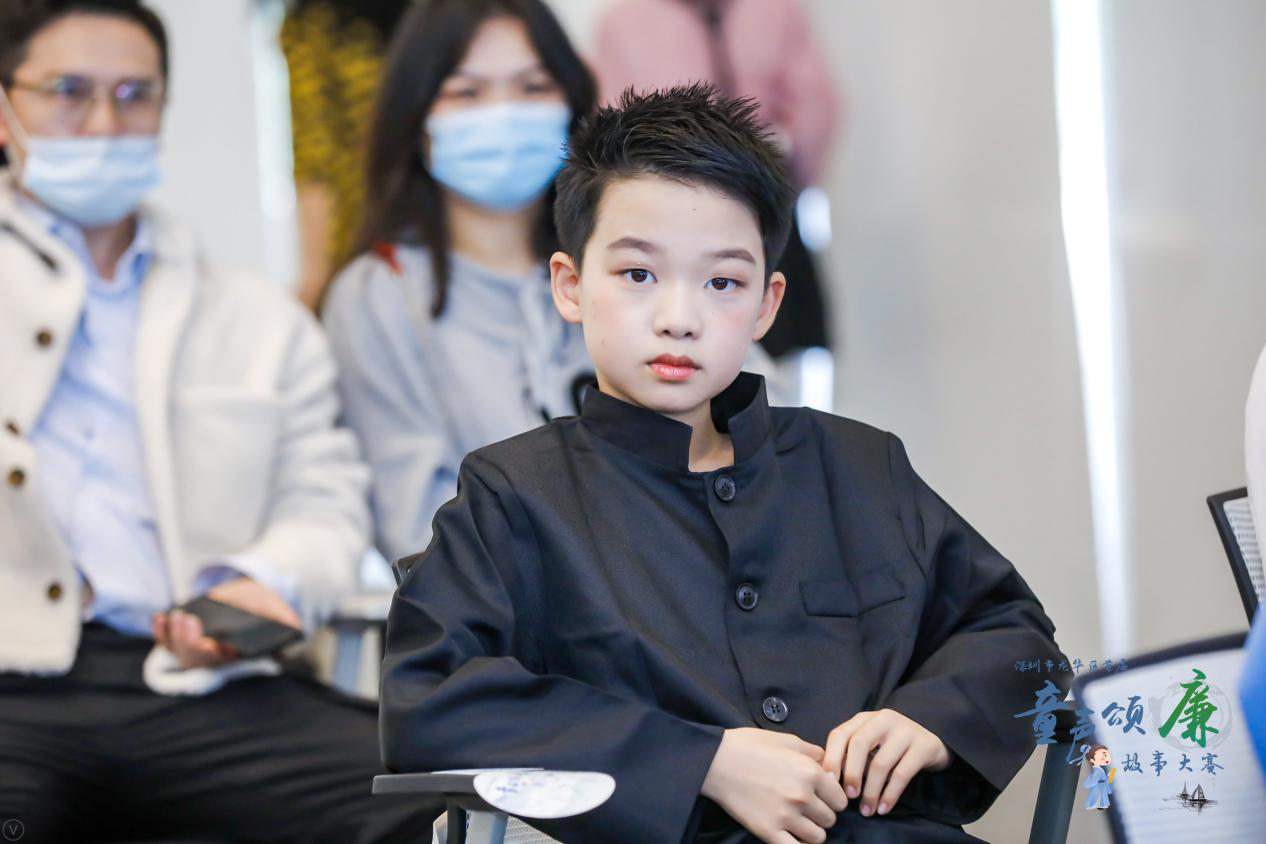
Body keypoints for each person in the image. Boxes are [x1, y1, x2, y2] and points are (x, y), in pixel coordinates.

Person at [379, 83, 1072, 844]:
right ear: (570, 286)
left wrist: (930, 717)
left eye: (723, 283)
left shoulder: (861, 467)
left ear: (767, 304)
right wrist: (698, 761)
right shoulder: (515, 496)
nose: (679, 318)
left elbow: (1015, 634)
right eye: (638, 274)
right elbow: (430, 703)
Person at [0, 1, 431, 840]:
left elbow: (325, 501)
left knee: (425, 802)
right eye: (69, 92)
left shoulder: (258, 320)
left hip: (193, 684)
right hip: (15, 688)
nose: (105, 123)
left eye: (134, 94)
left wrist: (263, 583)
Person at [321, 0, 597, 564]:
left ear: (571, 104)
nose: (503, 114)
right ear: (416, 119)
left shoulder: (628, 268)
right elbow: (418, 532)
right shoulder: (379, 296)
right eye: (467, 93)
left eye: (533, 86)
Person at [591, 0, 841, 360]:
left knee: (773, 345)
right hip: (667, 207)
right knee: (676, 330)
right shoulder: (624, 21)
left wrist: (778, 169)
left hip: (761, 198)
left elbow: (815, 109)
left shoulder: (777, 10)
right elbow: (610, 130)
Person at [280, 0, 409, 309]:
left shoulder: (448, 15)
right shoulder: (317, 23)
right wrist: (315, 274)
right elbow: (315, 156)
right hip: (371, 242)